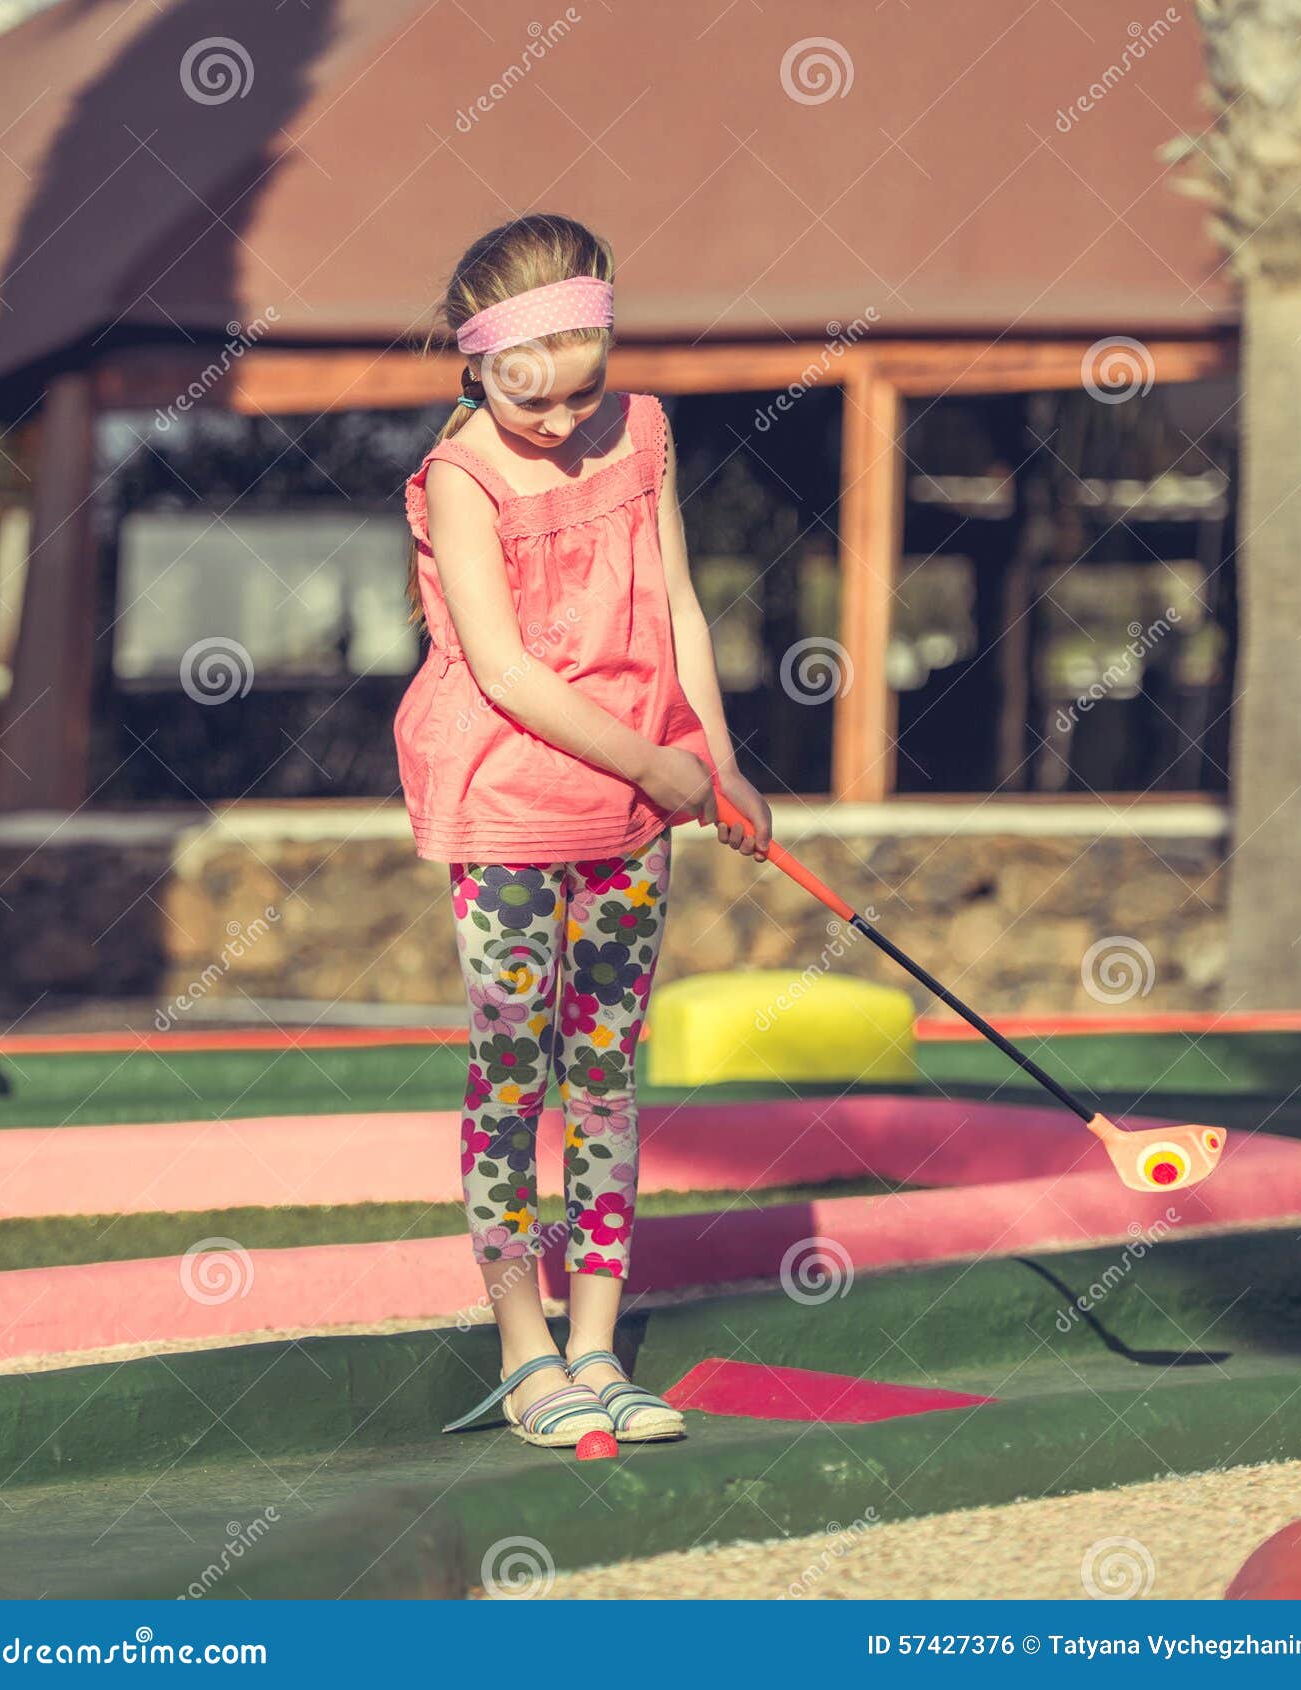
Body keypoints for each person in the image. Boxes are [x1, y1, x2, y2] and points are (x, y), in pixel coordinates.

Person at [396, 213, 772, 1448]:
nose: (560, 420)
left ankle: (599, 1345)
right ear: (478, 362)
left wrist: (718, 760)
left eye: (581, 391)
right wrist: (658, 764)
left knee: (605, 1074)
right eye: (531, 398)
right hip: (510, 808)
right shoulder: (463, 477)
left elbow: (678, 609)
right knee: (514, 1075)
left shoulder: (643, 433)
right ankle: (526, 1353)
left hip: (632, 813)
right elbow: (504, 670)